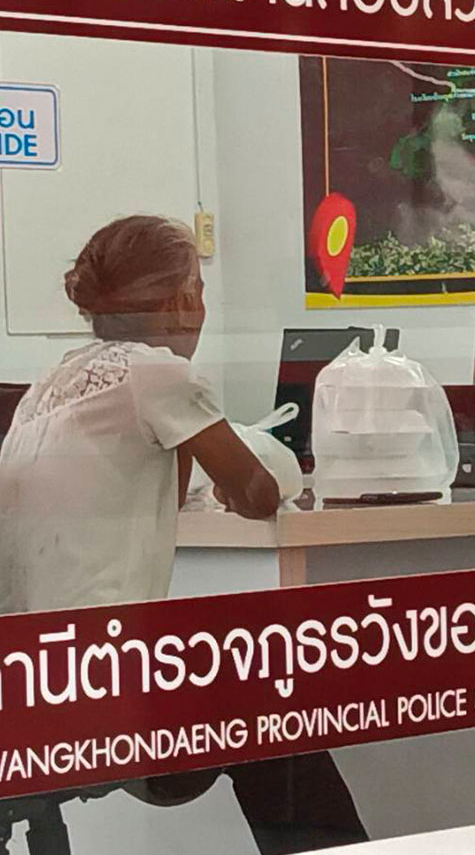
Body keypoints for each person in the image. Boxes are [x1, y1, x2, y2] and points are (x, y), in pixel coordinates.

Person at [0, 216, 368, 853]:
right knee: (275, 702)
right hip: (94, 683)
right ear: (179, 303)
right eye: (199, 290)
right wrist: (236, 474)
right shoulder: (160, 374)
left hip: (29, 681)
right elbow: (257, 493)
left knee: (246, 696)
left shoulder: (50, 382)